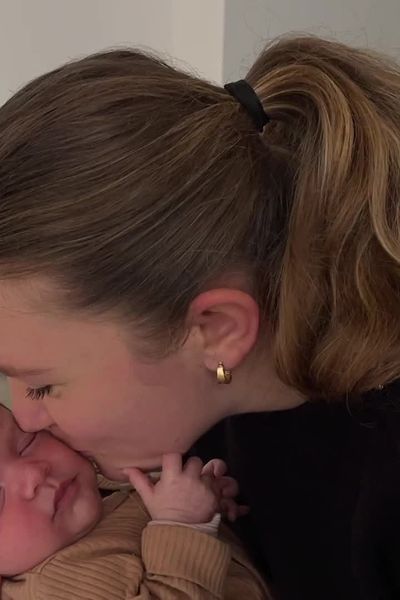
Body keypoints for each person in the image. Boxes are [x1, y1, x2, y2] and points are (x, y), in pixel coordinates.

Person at [0, 33, 399, 599]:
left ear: (216, 333)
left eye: (41, 385)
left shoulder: (378, 488)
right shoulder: (185, 438)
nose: (24, 419)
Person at [0, 405, 268, 599]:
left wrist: (204, 500)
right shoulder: (50, 590)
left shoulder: (102, 485)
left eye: (26, 442)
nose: (34, 472)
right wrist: (183, 525)